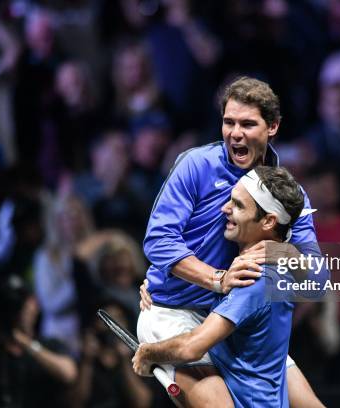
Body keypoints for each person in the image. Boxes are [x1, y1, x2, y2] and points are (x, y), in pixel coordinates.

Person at [137, 76, 326, 407]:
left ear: (273, 127)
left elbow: (318, 277)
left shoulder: (287, 193)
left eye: (248, 124)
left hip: (239, 319)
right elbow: (158, 240)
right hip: (176, 312)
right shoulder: (196, 165)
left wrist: (282, 251)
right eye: (228, 122)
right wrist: (216, 279)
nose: (235, 133)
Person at [133, 166, 312, 407]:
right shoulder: (278, 269)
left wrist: (147, 353)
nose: (224, 209)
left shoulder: (253, 279)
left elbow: (191, 348)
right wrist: (162, 283)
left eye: (238, 205)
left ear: (269, 221)